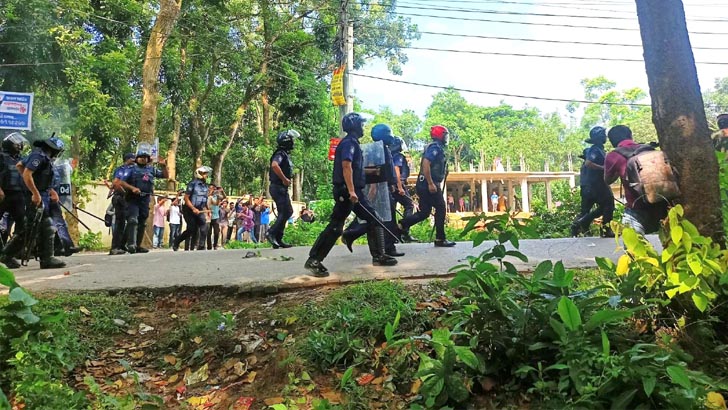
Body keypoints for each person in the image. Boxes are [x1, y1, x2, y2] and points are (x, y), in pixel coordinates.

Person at [305, 113, 397, 277]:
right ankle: (314, 260)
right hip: (347, 191)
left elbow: (353, 167)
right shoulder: (349, 143)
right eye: (361, 125)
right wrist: (352, 191)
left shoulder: (353, 143)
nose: (363, 128)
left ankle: (379, 256)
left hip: (353, 190)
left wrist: (371, 172)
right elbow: (346, 166)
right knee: (336, 227)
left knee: (374, 218)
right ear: (355, 126)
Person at [0, 136, 66, 269]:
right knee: (37, 228)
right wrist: (34, 192)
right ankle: (44, 258)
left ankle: (44, 258)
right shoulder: (39, 156)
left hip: (40, 195)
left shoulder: (40, 155)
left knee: (37, 228)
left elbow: (20, 166)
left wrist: (48, 190)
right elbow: (26, 174)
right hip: (35, 197)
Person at [341, 123, 404, 258]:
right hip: (379, 189)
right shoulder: (376, 149)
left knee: (385, 218)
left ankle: (388, 247)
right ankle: (355, 235)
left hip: (385, 188)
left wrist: (392, 184)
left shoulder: (384, 148)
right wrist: (374, 189)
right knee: (376, 219)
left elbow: (388, 170)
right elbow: (374, 168)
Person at [398, 125, 455, 247]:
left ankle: (402, 224)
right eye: (445, 135)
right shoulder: (435, 147)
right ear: (440, 135)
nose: (446, 138)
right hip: (429, 184)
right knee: (440, 207)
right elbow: (426, 163)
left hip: (424, 183)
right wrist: (430, 183)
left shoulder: (435, 147)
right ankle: (440, 238)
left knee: (424, 212)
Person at [605, 125, 667, 235]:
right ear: (630, 136)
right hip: (662, 205)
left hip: (637, 209)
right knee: (674, 246)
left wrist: (618, 172)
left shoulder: (613, 155)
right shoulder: (649, 149)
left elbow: (607, 180)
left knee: (633, 249)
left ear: (612, 141)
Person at [118, 143, 168, 254]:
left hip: (145, 200)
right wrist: (132, 188)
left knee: (142, 222)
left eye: (145, 158)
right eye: (141, 157)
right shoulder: (131, 169)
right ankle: (130, 244)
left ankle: (138, 245)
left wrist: (164, 165)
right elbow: (122, 182)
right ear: (137, 158)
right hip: (132, 198)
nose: (143, 159)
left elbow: (165, 176)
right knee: (132, 220)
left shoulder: (151, 170)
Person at [571, 126, 615, 238]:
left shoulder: (598, 150)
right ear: (599, 137)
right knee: (608, 204)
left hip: (587, 185)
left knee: (586, 210)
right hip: (595, 185)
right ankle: (605, 229)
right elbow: (589, 163)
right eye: (603, 135)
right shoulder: (595, 150)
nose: (606, 137)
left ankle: (579, 226)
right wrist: (603, 168)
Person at [266, 129, 299, 249]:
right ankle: (271, 233)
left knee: (288, 212)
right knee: (284, 212)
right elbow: (275, 165)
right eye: (291, 140)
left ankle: (278, 238)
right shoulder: (280, 154)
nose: (293, 142)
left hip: (280, 188)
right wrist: (284, 179)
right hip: (278, 187)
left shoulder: (284, 154)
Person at [173, 166, 212, 251]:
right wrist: (193, 208)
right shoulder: (192, 184)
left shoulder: (206, 186)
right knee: (191, 229)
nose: (206, 175)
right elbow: (186, 198)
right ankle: (177, 241)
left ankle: (201, 246)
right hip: (189, 209)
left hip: (199, 209)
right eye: (205, 173)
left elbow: (204, 198)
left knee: (204, 226)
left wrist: (207, 209)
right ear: (199, 174)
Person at [0, 133, 28, 244]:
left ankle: (11, 252)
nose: (20, 145)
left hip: (18, 195)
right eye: (17, 143)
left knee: (23, 224)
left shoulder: (21, 159)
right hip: (3, 194)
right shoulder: (1, 157)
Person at [109, 153, 136, 255]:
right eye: (132, 159)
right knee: (120, 223)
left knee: (131, 221)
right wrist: (125, 192)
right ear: (127, 159)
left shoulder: (135, 169)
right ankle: (115, 247)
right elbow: (116, 182)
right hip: (121, 198)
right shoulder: (121, 169)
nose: (134, 161)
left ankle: (121, 245)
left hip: (130, 199)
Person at [391, 137, 415, 220]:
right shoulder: (398, 156)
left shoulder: (388, 155)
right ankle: (404, 227)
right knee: (409, 205)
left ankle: (393, 229)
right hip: (398, 185)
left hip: (392, 185)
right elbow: (396, 170)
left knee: (392, 208)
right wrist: (400, 187)